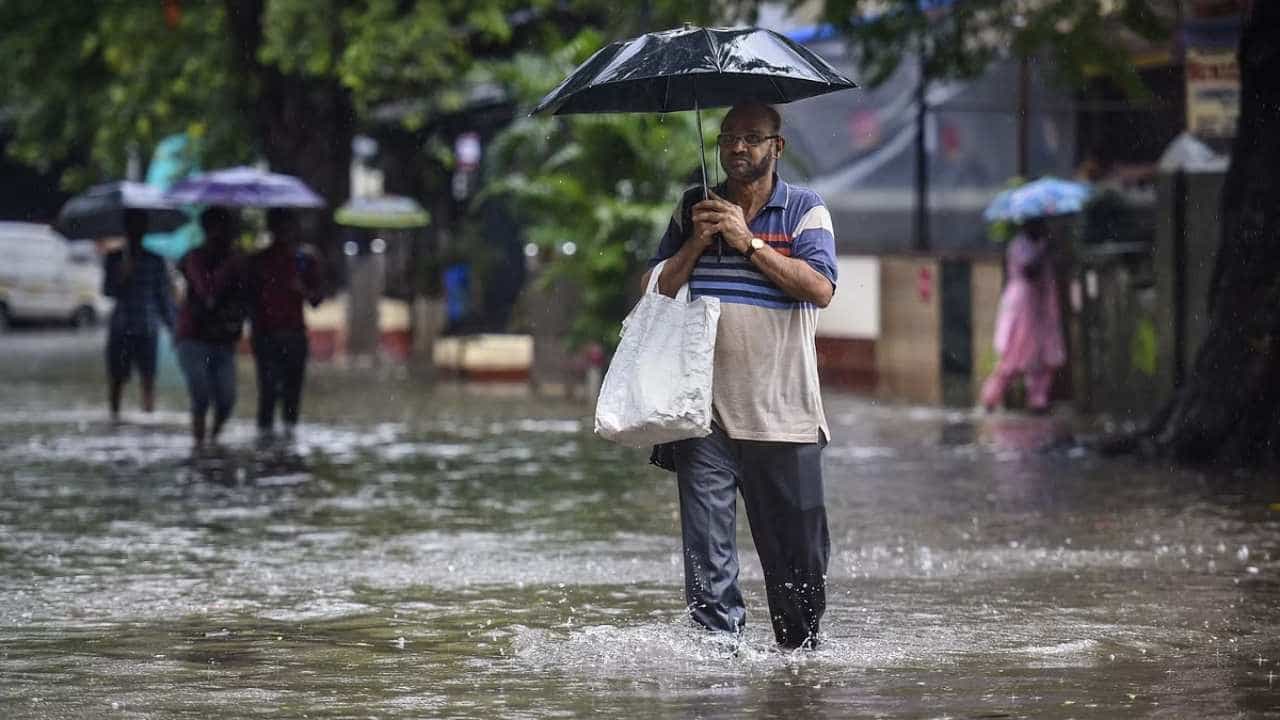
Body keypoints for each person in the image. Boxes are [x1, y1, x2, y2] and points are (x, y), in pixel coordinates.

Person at [641, 102, 838, 650]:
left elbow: (820, 287)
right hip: (701, 416)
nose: (738, 147)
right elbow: (654, 290)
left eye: (752, 137)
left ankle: (798, 671)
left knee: (799, 569)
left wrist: (747, 240)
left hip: (784, 416)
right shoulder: (694, 207)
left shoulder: (805, 209)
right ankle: (718, 665)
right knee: (707, 562)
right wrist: (697, 242)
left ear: (778, 147)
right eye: (729, 136)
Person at [247, 208, 324, 436]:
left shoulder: (305, 260)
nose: (285, 233)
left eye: (288, 227)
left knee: (292, 396)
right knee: (268, 394)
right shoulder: (257, 261)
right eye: (280, 227)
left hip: (294, 336)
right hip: (266, 337)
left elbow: (317, 299)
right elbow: (249, 299)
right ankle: (266, 441)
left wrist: (303, 290)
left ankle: (288, 442)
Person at [175, 207, 247, 448]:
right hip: (193, 338)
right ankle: (199, 446)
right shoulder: (194, 258)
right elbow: (208, 293)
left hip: (223, 339)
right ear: (209, 230)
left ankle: (212, 441)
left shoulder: (238, 260)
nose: (227, 234)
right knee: (201, 394)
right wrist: (230, 266)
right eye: (222, 228)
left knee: (227, 399)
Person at [980, 218, 1066, 413]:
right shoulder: (1019, 245)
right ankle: (990, 398)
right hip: (1022, 305)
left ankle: (1038, 400)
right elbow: (1028, 271)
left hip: (1040, 306)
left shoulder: (1041, 244)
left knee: (1042, 357)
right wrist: (1043, 250)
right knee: (1011, 355)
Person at [102, 208, 176, 421]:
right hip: (121, 327)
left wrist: (174, 328)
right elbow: (107, 291)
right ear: (125, 229)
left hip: (147, 328)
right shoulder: (114, 258)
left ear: (145, 229)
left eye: (140, 227)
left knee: (148, 379)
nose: (136, 231)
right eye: (132, 226)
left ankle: (148, 421)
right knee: (117, 379)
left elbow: (163, 297)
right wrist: (121, 276)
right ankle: (114, 418)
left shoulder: (155, 260)